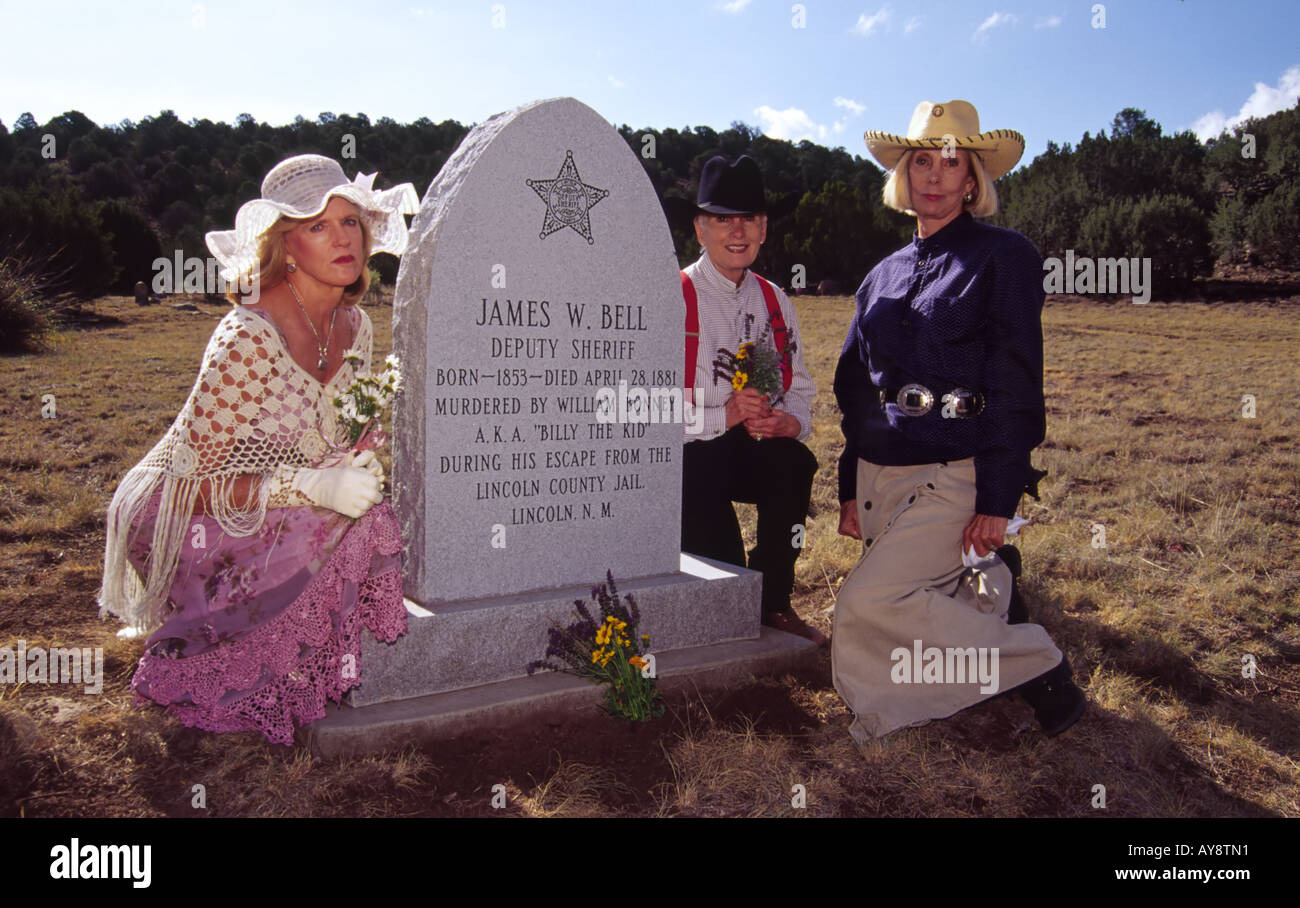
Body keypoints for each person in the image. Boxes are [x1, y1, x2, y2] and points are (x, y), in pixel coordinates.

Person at [98, 154, 420, 746]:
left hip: (276, 495)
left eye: (351, 222)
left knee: (367, 516)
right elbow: (187, 483)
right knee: (345, 522)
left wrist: (356, 460)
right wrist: (315, 487)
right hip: (181, 512)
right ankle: (211, 651)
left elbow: (341, 431)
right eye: (318, 226)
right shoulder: (249, 335)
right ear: (285, 246)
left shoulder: (357, 326)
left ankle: (316, 658)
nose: (343, 238)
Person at [832, 101, 1086, 740]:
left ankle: (1034, 665)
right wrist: (846, 486)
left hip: (957, 468)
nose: (935, 174)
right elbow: (855, 387)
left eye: (952, 161)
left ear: (973, 178)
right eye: (922, 160)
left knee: (867, 605)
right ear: (905, 176)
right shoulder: (878, 275)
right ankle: (994, 588)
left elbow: (1015, 380)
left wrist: (998, 497)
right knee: (917, 597)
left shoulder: (1006, 256)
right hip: (881, 469)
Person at [675, 154, 825, 646]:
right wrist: (726, 413)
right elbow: (645, 408)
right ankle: (731, 604)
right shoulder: (672, 297)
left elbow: (800, 387)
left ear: (763, 229)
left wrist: (791, 423)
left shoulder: (775, 299)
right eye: (722, 218)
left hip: (750, 447)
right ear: (700, 228)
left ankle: (776, 601)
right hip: (687, 456)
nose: (737, 230)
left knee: (794, 462)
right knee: (724, 590)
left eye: (749, 219)